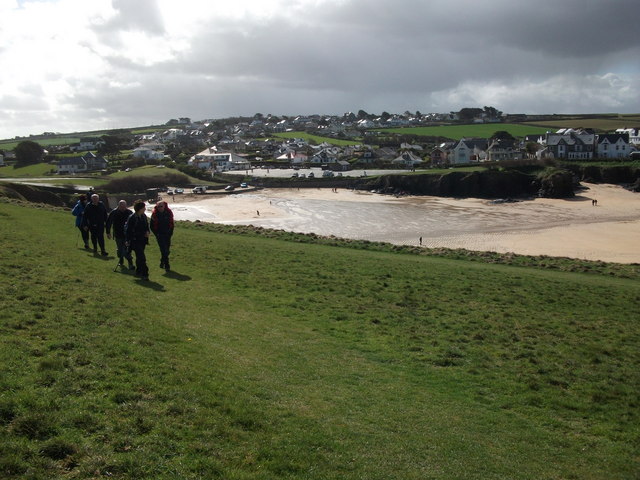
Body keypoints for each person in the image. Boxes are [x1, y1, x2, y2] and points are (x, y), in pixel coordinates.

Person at [125, 200, 150, 280]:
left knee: (139, 256)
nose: (145, 209)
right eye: (143, 208)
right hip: (135, 240)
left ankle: (138, 271)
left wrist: (147, 232)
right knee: (142, 257)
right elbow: (128, 230)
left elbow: (146, 226)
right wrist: (127, 240)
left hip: (142, 240)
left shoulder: (143, 216)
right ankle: (145, 273)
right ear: (139, 209)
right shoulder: (132, 217)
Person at [106, 200, 135, 270]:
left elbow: (134, 223)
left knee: (126, 249)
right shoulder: (114, 212)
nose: (123, 208)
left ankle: (130, 264)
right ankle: (121, 259)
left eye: (124, 206)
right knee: (120, 249)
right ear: (118, 206)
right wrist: (108, 232)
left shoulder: (129, 212)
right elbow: (109, 222)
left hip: (127, 235)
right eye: (121, 206)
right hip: (118, 234)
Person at [149, 200, 174, 271]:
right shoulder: (154, 214)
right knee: (163, 250)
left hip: (167, 235)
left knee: (167, 250)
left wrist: (170, 233)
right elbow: (151, 226)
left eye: (161, 206)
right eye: (158, 206)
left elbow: (172, 224)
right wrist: (156, 234)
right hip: (160, 235)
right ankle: (167, 265)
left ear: (164, 206)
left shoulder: (168, 213)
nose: (159, 208)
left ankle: (162, 261)